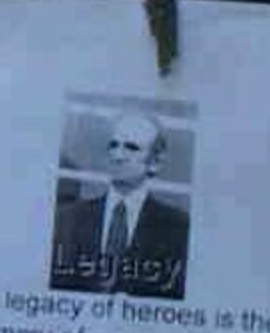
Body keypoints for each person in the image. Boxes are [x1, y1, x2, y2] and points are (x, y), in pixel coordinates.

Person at [49, 111, 190, 299]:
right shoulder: (67, 219)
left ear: (155, 162)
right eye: (113, 145)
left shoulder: (178, 228)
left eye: (131, 148)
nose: (117, 155)